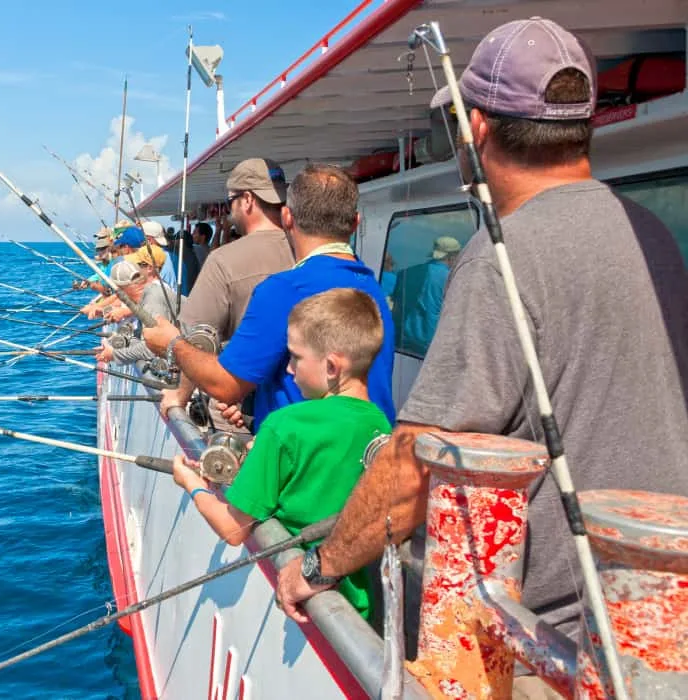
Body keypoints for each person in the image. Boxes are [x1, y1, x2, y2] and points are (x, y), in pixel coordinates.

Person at [275, 19, 688, 697]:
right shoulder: (652, 236)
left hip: (554, 642)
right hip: (656, 631)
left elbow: (415, 461)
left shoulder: (502, 256)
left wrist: (320, 567)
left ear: (478, 133)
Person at [171, 288, 391, 620]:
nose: (289, 370)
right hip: (357, 607)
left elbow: (232, 529)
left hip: (299, 602)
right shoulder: (381, 424)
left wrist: (192, 483)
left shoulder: (283, 425)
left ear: (331, 366)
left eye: (295, 357)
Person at [145, 163, 396, 432]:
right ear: (356, 222)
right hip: (369, 455)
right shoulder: (372, 287)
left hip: (307, 464)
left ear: (287, 217)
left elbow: (225, 385)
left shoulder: (284, 289)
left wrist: (172, 344)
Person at [143, 157, 296, 434]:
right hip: (306, 408)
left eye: (231, 202)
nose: (229, 211)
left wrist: (180, 396)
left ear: (247, 200)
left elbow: (197, 338)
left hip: (244, 411)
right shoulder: (310, 251)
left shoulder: (224, 261)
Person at [95, 259, 176, 365]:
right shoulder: (149, 294)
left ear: (120, 289)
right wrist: (115, 344)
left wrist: (114, 354)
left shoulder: (152, 301)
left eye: (116, 291)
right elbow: (143, 335)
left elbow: (153, 348)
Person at [398, 236, 461, 354]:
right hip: (431, 344)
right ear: (452, 257)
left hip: (406, 338)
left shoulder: (409, 272)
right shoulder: (451, 278)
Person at [141, 221, 179, 291]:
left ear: (149, 240)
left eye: (141, 238)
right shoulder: (172, 256)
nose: (139, 241)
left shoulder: (154, 260)